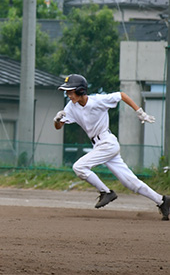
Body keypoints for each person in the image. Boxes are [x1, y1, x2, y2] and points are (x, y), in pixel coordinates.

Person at [54, 74, 169, 220]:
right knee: (130, 183)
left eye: (71, 91)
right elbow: (59, 126)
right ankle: (162, 201)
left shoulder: (97, 100)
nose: (68, 95)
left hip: (107, 143)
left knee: (79, 167)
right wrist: (57, 120)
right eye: (67, 92)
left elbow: (121, 95)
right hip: (100, 146)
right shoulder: (71, 107)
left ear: (81, 90)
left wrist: (140, 112)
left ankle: (106, 192)